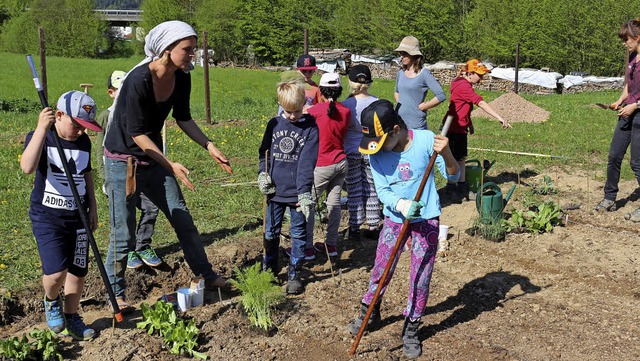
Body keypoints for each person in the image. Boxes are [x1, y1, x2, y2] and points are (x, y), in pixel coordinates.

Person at [103, 20, 232, 313]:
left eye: (193, 49)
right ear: (166, 49)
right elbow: (137, 134)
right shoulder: (138, 81)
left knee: (182, 217)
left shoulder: (182, 77)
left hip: (153, 160)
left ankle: (206, 275)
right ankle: (116, 293)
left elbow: (183, 118)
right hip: (123, 163)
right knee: (123, 232)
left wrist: (209, 146)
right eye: (187, 49)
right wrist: (171, 164)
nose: (192, 55)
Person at [345, 99, 459, 358]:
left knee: (420, 276)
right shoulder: (377, 154)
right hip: (395, 219)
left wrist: (447, 153)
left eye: (381, 140)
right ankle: (370, 310)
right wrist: (402, 203)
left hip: (426, 219)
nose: (377, 148)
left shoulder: (427, 141)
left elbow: (453, 175)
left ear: (396, 129)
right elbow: (383, 191)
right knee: (381, 268)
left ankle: (411, 326)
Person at [21, 90, 103, 340]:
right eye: (77, 125)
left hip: (78, 216)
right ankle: (51, 299)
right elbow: (27, 167)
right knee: (56, 273)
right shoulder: (42, 137)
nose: (81, 131)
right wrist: (41, 129)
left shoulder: (83, 142)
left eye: (85, 127)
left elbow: (86, 173)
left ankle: (72, 317)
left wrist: (93, 206)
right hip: (49, 218)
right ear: (58, 115)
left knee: (78, 273)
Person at [258, 80, 319, 294]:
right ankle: (270, 270)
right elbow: (263, 153)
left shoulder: (310, 128)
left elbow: (306, 162)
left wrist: (304, 192)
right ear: (280, 105)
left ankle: (295, 273)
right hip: (274, 191)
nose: (292, 116)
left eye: (297, 111)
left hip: (297, 193)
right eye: (288, 111)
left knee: (298, 233)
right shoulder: (273, 124)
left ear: (304, 103)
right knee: (271, 231)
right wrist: (262, 174)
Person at [97, 70, 163, 269]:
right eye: (119, 90)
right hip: (118, 172)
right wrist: (104, 178)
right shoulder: (106, 116)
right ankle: (129, 250)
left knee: (151, 207)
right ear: (111, 92)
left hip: (142, 170)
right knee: (125, 216)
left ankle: (143, 245)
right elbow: (100, 149)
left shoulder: (139, 113)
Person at [442, 59, 511, 201]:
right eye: (479, 75)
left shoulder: (461, 82)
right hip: (454, 128)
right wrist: (499, 117)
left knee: (461, 158)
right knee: (454, 159)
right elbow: (479, 102)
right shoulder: (464, 87)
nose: (481, 78)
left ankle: (461, 187)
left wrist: (469, 123)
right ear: (470, 73)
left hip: (460, 126)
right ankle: (451, 189)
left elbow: (462, 107)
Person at [595, 18, 640, 222]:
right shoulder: (632, 57)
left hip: (638, 113)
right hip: (626, 112)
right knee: (614, 156)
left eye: (626, 39)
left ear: (637, 38)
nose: (624, 43)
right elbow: (628, 86)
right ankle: (609, 198)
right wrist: (620, 100)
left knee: (637, 162)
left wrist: (635, 105)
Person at [305, 72, 350, 258]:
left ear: (321, 91)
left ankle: (306, 247)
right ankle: (331, 245)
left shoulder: (314, 111)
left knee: (307, 205)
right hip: (341, 162)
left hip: (322, 165)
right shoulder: (346, 112)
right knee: (334, 204)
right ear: (339, 91)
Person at [341, 64, 382, 240]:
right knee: (372, 187)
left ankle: (355, 226)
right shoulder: (377, 102)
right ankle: (373, 225)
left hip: (350, 150)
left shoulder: (346, 105)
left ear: (350, 82)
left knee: (353, 189)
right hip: (371, 148)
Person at [394, 36, 446, 130]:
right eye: (401, 53)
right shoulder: (400, 73)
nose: (401, 57)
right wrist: (401, 105)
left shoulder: (424, 74)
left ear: (413, 55)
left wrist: (424, 106)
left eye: (405, 53)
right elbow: (397, 91)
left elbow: (441, 95)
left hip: (416, 124)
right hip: (399, 122)